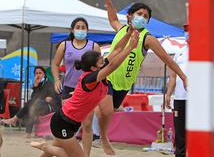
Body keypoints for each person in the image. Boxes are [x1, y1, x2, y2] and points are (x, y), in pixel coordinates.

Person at [93, 0, 187, 155]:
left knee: (110, 112)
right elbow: (113, 18)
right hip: (108, 75)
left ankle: (99, 120)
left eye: (145, 16)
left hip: (125, 83)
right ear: (130, 16)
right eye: (139, 14)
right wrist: (107, 0)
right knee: (105, 111)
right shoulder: (121, 29)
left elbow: (167, 59)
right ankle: (103, 137)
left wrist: (183, 76)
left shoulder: (147, 38)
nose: (142, 18)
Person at [31, 24, 140, 157]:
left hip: (72, 123)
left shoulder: (96, 69)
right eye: (101, 61)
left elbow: (116, 50)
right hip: (63, 122)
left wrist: (128, 35)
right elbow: (112, 66)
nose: (103, 60)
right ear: (94, 67)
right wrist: (131, 47)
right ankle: (45, 146)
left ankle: (47, 150)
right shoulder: (90, 78)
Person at [2, 66, 61, 138]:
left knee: (32, 105)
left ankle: (16, 120)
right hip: (39, 105)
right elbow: (34, 98)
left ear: (44, 74)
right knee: (32, 106)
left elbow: (45, 98)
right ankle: (25, 129)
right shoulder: (38, 84)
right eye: (36, 73)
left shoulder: (49, 83)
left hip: (50, 107)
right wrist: (35, 86)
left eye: (40, 73)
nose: (38, 75)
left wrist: (40, 94)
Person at [52, 17, 100, 100]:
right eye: (78, 27)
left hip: (88, 87)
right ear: (72, 30)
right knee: (68, 113)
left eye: (83, 27)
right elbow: (55, 64)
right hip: (68, 87)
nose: (80, 30)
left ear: (87, 30)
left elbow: (100, 68)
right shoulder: (64, 45)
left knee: (86, 112)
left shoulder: (94, 46)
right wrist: (57, 80)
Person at [165, 41, 188, 157]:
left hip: (196, 98)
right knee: (179, 131)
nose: (187, 33)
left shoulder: (202, 50)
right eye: (185, 30)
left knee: (195, 131)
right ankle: (180, 154)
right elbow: (173, 75)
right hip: (179, 98)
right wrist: (168, 94)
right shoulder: (180, 52)